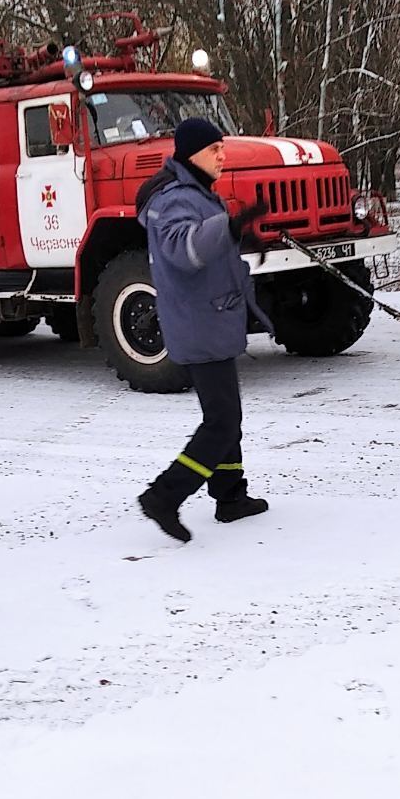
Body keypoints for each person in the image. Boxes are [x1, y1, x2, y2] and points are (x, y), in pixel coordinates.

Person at [134, 118, 273, 543]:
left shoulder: (197, 193)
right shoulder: (174, 199)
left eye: (221, 147)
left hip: (212, 318)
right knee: (222, 422)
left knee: (226, 416)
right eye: (214, 149)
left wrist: (239, 239)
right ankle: (163, 496)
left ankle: (230, 496)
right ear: (191, 153)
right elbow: (185, 249)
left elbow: (208, 246)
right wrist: (228, 227)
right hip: (198, 322)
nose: (222, 156)